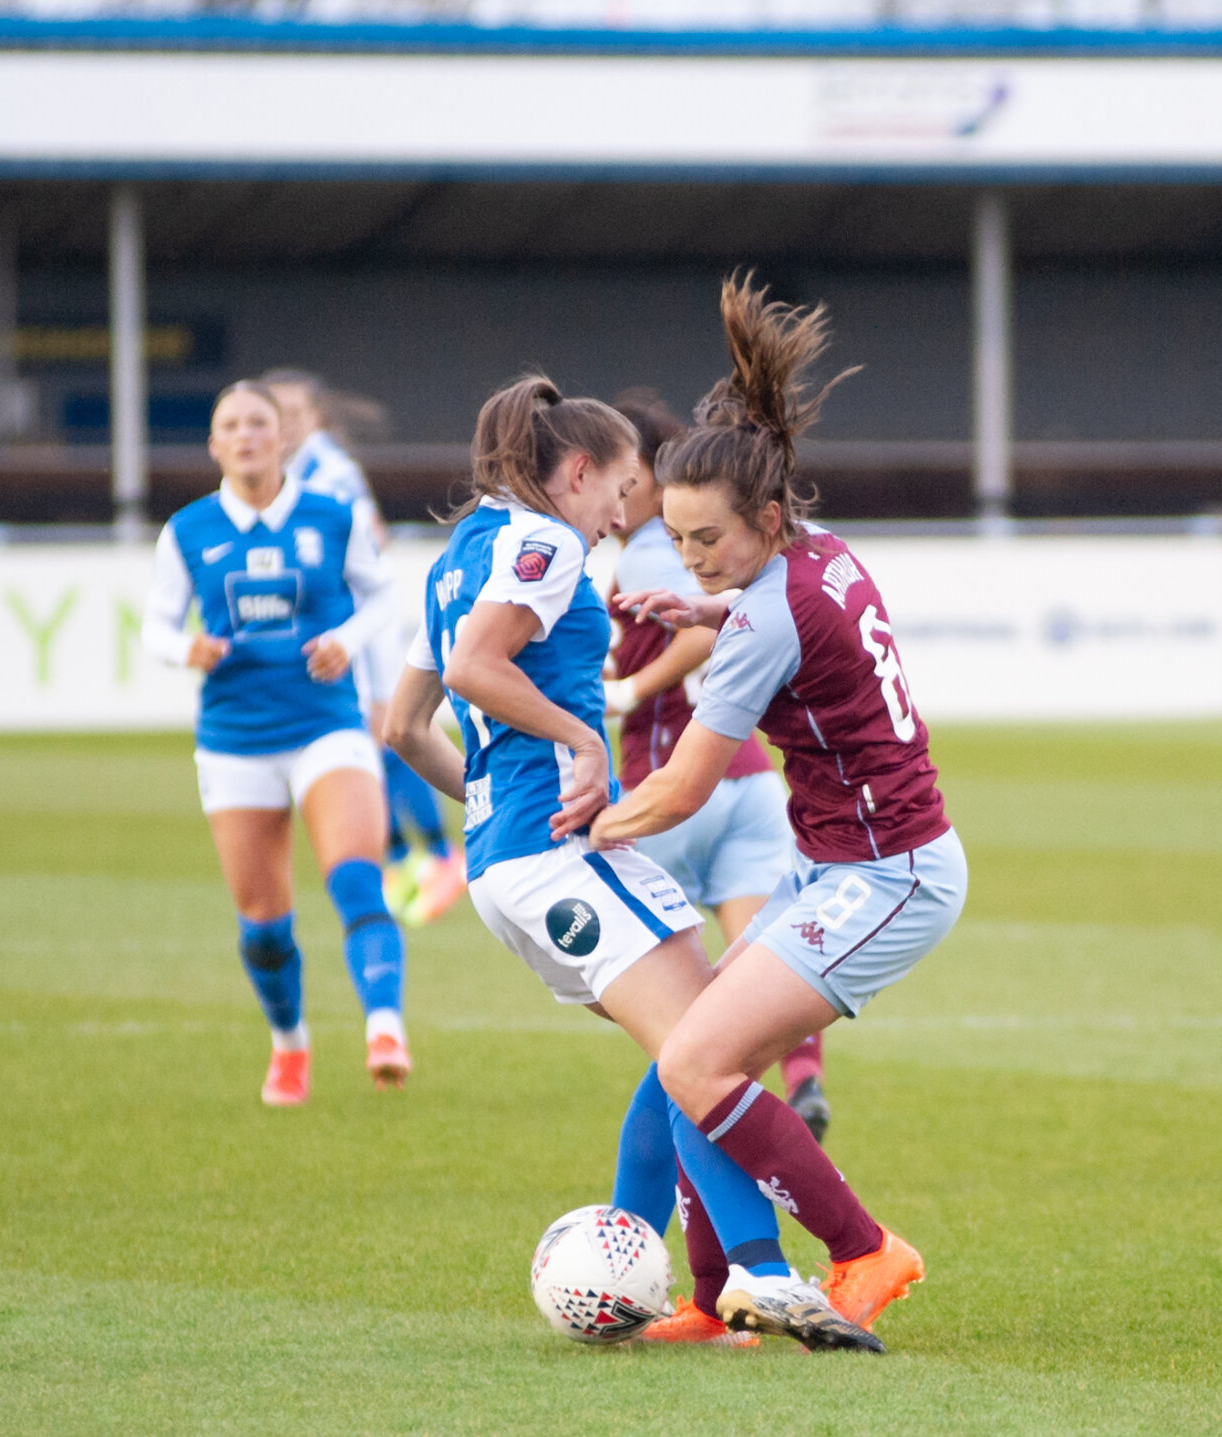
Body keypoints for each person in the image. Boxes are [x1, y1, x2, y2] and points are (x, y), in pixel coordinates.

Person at [384, 373, 881, 1352]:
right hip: (554, 855)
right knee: (707, 1050)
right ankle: (764, 1274)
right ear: (575, 472)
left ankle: (670, 1275)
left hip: (507, 865)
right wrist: (578, 745)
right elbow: (478, 670)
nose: (623, 517)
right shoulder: (541, 543)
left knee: (682, 1057)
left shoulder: (458, 556)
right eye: (619, 492)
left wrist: (491, 814)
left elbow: (403, 726)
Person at [591, 273, 969, 1345]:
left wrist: (577, 829)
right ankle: (714, 1303)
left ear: (760, 516)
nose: (690, 556)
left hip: (887, 876)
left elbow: (681, 784)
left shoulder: (762, 623)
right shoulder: (817, 552)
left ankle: (863, 1251)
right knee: (691, 1060)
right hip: (842, 864)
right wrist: (706, 602)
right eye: (675, 538)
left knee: (696, 1062)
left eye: (706, 541)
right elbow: (774, 610)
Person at [143, 379, 410, 1106]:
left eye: (258, 422)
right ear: (213, 443)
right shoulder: (188, 530)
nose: (246, 435)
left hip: (327, 724)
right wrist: (186, 649)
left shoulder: (332, 515)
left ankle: (385, 1026)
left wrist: (345, 640)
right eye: (230, 424)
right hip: (234, 740)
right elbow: (155, 626)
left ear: (281, 436)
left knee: (356, 876)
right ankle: (290, 1041)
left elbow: (385, 595)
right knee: (264, 925)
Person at [602, 393, 831, 1143]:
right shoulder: (797, 554)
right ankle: (802, 1083)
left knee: (679, 1032)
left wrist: (629, 687)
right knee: (769, 969)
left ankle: (709, 1186)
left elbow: (715, 639)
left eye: (612, 465)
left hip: (670, 779)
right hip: (752, 781)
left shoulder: (646, 550)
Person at [262, 366, 466, 928]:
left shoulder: (330, 471)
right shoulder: (295, 470)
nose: (283, 426)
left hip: (356, 627)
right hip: (335, 630)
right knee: (373, 742)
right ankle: (408, 856)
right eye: (274, 416)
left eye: (293, 414)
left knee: (388, 734)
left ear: (314, 417)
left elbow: (365, 542)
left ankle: (436, 854)